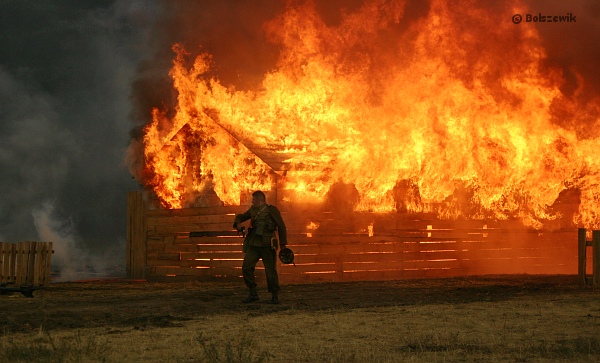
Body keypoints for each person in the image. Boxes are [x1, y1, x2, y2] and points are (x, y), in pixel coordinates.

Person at [233, 190, 287, 304]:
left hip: (267, 245)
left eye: (253, 199)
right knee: (246, 267)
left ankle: (274, 295)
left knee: (270, 270)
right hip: (254, 244)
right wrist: (237, 222)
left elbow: (281, 226)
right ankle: (253, 293)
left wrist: (283, 245)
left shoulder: (271, 210)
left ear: (259, 200)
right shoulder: (253, 210)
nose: (252, 201)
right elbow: (242, 216)